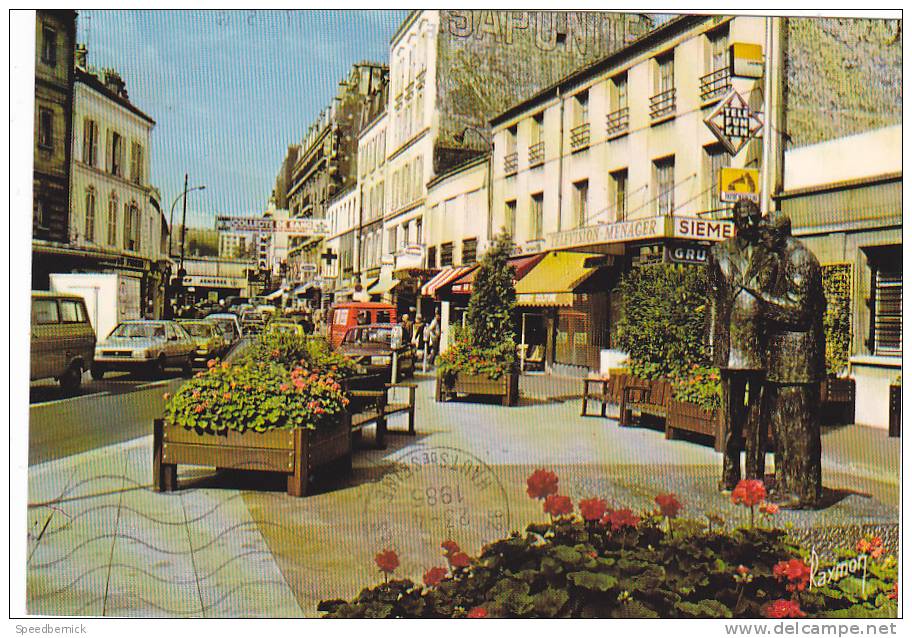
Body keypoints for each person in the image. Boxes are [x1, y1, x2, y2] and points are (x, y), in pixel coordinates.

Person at [743, 213, 826, 509]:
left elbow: (799, 312)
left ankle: (803, 491)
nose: (762, 240)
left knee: (798, 428)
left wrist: (761, 300)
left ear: (779, 234)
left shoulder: (800, 259)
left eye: (765, 234)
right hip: (782, 359)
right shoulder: (782, 259)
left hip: (798, 361)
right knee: (781, 427)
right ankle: (787, 484)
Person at [707, 199, 769, 491]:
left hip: (759, 344)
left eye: (755, 218)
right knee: (732, 418)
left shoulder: (769, 254)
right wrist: (712, 342)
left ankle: (754, 476)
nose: (751, 224)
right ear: (735, 221)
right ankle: (730, 473)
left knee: (758, 419)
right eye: (745, 218)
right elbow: (713, 302)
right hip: (731, 345)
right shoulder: (718, 253)